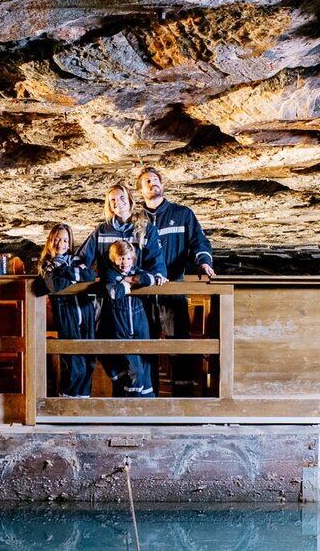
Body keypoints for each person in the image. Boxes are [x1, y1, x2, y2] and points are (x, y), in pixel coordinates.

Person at [76, 183, 167, 394]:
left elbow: (156, 261)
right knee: (118, 354)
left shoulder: (144, 228)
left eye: (121, 197)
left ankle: (145, 405)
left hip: (139, 304)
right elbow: (83, 257)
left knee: (142, 356)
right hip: (111, 303)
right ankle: (122, 405)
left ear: (130, 199)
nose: (118, 202)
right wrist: (78, 267)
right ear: (109, 205)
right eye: (113, 200)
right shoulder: (102, 230)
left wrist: (155, 276)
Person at [137, 165, 216, 394]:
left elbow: (199, 242)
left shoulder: (182, 214)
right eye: (147, 182)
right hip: (144, 293)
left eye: (155, 179)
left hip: (173, 290)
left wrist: (204, 262)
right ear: (141, 191)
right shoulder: (135, 220)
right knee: (145, 345)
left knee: (179, 344)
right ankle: (148, 397)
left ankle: (183, 398)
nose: (153, 183)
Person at [39, 224, 97, 397]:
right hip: (66, 312)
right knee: (73, 361)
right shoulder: (46, 264)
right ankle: (67, 400)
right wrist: (75, 276)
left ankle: (83, 400)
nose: (61, 244)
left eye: (65, 240)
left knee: (89, 359)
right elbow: (55, 285)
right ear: (50, 241)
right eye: (57, 239)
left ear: (70, 242)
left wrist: (65, 272)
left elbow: (90, 276)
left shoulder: (76, 260)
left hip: (85, 310)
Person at [104, 240, 158, 397]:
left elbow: (150, 279)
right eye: (121, 258)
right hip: (120, 324)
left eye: (128, 258)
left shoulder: (137, 271)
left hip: (140, 323)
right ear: (113, 258)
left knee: (145, 366)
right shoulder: (110, 274)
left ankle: (146, 407)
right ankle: (131, 407)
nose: (124, 263)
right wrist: (131, 284)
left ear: (133, 259)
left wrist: (128, 280)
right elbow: (114, 293)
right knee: (134, 370)